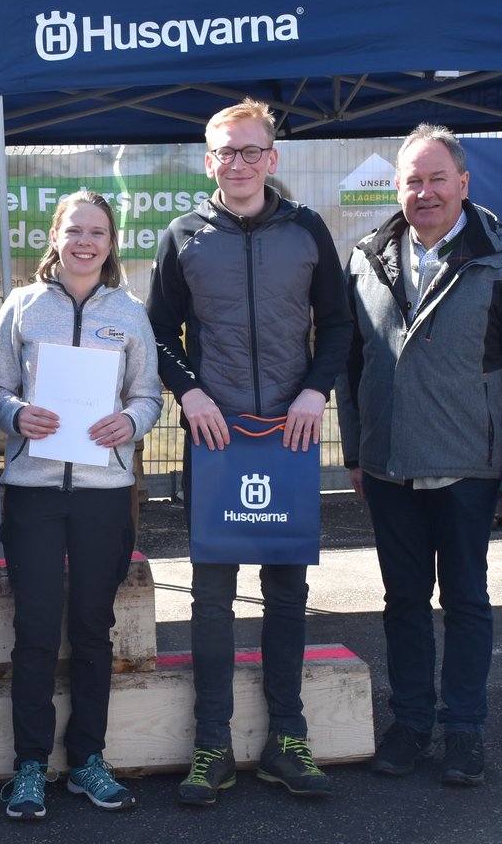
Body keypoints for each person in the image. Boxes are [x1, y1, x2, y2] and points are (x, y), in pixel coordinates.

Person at [338, 123, 502, 787]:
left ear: (463, 183)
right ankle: (409, 723)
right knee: (402, 602)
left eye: (438, 179)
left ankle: (463, 728)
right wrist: (356, 452)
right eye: (413, 180)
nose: (425, 192)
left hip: (469, 467)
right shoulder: (365, 259)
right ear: (397, 187)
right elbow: (351, 366)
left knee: (465, 601)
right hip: (389, 465)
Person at [146, 98, 350, 805]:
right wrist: (190, 393)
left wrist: (315, 392)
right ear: (209, 161)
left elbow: (338, 325)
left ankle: (286, 740)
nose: (238, 163)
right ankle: (212, 744)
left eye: (251, 150)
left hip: (289, 436)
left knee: (287, 592)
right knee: (211, 598)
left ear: (272, 157)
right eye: (226, 152)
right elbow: (157, 334)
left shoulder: (307, 229)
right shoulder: (182, 236)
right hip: (216, 439)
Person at [0, 190, 163, 821]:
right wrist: (15, 414)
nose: (85, 242)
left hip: (104, 496)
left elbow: (148, 395)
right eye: (75, 231)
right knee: (35, 629)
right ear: (55, 237)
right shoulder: (21, 306)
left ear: (111, 243)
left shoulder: (130, 313)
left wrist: (130, 422)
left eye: (98, 233)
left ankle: (88, 757)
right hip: (33, 492)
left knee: (93, 628)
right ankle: (30, 765)